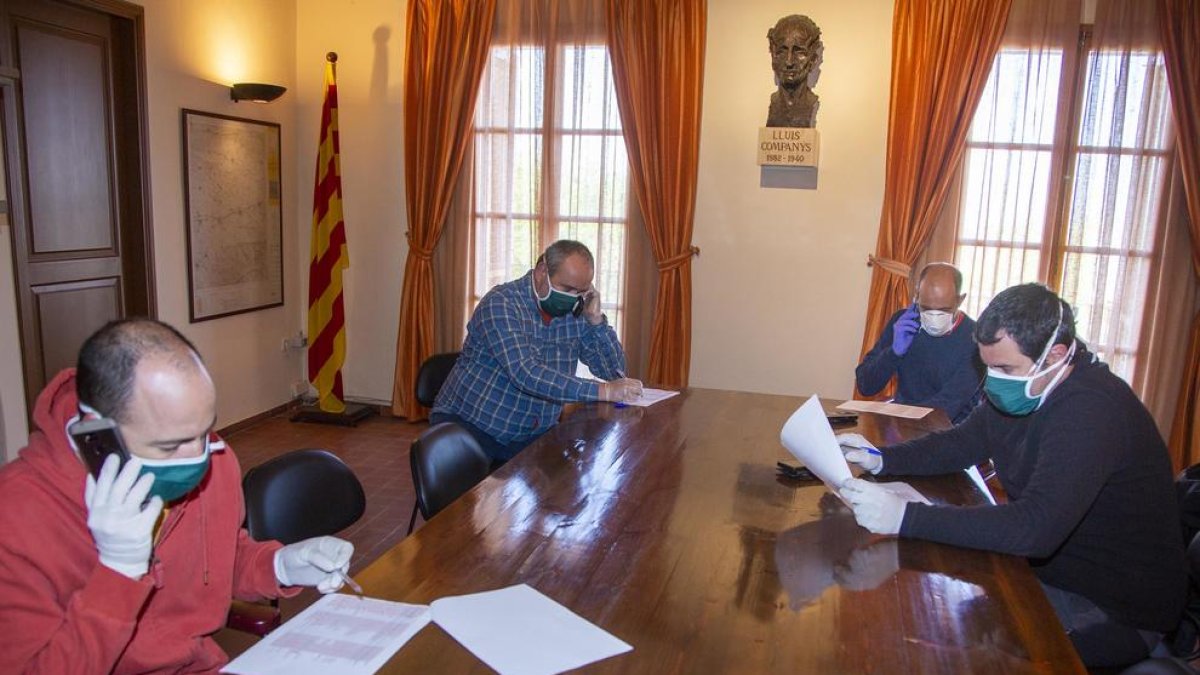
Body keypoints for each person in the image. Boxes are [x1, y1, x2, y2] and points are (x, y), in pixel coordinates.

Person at [840, 283, 1187, 668]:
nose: (993, 380)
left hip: (1116, 605)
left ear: (1055, 355)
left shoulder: (1092, 410)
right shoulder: (1029, 387)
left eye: (1005, 368)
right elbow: (961, 443)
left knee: (960, 655)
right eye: (986, 366)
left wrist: (906, 517)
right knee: (935, 622)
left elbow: (1035, 528)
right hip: (1055, 575)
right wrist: (882, 460)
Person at [0, 318, 355, 673]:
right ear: (98, 433)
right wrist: (118, 572)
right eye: (171, 445)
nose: (199, 457)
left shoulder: (215, 459)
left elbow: (218, 559)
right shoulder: (15, 517)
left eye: (205, 431)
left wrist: (280, 565)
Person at [432, 240, 642, 462]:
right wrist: (605, 391)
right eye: (567, 288)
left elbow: (614, 372)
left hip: (530, 433)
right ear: (542, 271)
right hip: (474, 426)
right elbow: (526, 374)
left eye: (580, 291)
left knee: (571, 485)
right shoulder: (501, 303)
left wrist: (596, 321)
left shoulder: (576, 311)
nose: (573, 297)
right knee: (490, 496)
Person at [855, 262, 983, 423]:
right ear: (916, 296)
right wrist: (894, 352)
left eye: (944, 310)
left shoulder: (976, 339)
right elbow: (865, 385)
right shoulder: (904, 323)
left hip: (951, 431)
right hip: (902, 423)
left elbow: (948, 406)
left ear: (960, 300)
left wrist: (899, 417)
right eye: (926, 308)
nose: (934, 316)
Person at [765, 14, 823, 128]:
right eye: (782, 51)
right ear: (773, 55)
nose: (789, 62)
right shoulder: (774, 104)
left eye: (799, 52)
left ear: (813, 59)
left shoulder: (810, 103)